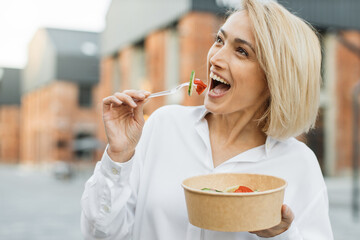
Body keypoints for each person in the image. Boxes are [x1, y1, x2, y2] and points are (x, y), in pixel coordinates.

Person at [80, 0, 333, 239]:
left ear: (276, 79)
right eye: (219, 40)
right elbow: (100, 234)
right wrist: (119, 156)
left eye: (242, 51)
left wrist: (283, 235)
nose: (215, 58)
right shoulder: (163, 126)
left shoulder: (299, 164)